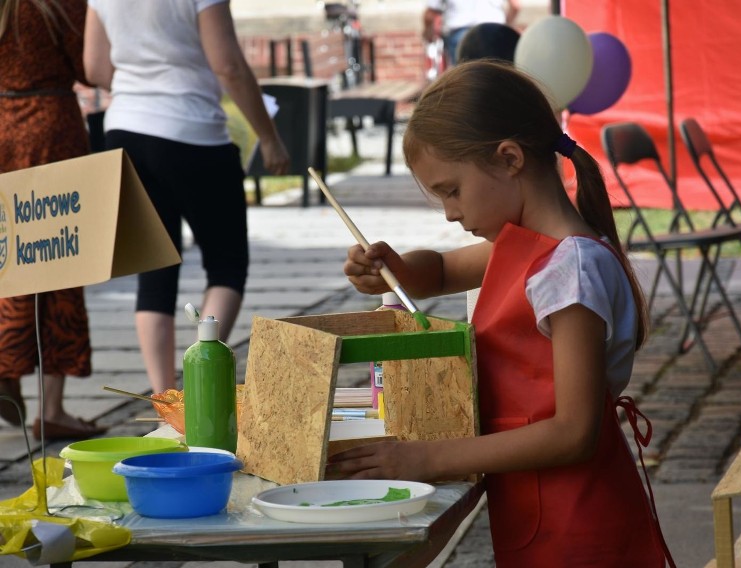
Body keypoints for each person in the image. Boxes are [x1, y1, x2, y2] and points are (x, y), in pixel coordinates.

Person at [329, 61, 675, 567]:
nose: (449, 211)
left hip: (583, 527)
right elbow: (441, 272)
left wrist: (423, 457)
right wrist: (393, 267)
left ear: (509, 158)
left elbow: (574, 431)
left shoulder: (569, 269)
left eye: (451, 190)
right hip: (542, 513)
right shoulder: (528, 250)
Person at [84, 0, 291, 394]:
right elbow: (228, 64)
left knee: (155, 265)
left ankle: (163, 399)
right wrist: (269, 136)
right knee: (226, 264)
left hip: (125, 129)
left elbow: (95, 67)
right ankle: (200, 384)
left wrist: (141, 84)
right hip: (191, 131)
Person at [0, 0, 107, 440]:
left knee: (11, 257)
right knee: (58, 260)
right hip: (51, 129)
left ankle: (7, 358)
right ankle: (53, 408)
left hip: (3, 124)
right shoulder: (55, 4)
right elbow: (89, 66)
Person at [422, 0, 520, 66]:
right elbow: (515, 6)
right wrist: (506, 26)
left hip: (460, 34)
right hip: (495, 32)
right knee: (499, 73)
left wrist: (427, 33)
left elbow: (430, 14)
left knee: (465, 80)